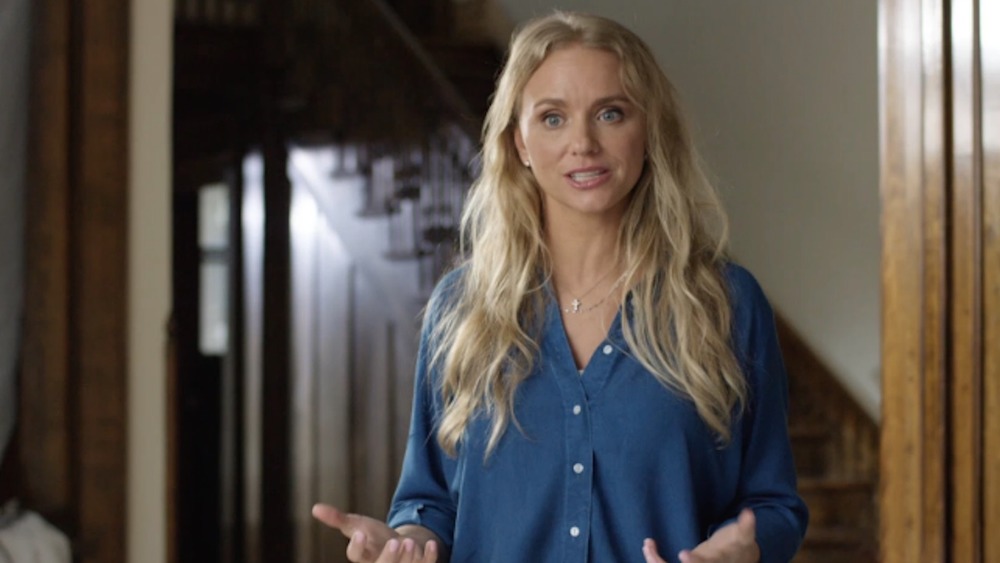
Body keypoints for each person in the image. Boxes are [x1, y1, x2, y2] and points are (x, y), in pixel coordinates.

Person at [313, 10, 808, 563]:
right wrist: (407, 544)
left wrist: (743, 549)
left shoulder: (727, 304)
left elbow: (774, 503)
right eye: (552, 118)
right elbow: (428, 503)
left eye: (611, 113)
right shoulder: (460, 310)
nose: (583, 143)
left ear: (648, 130)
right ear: (519, 141)